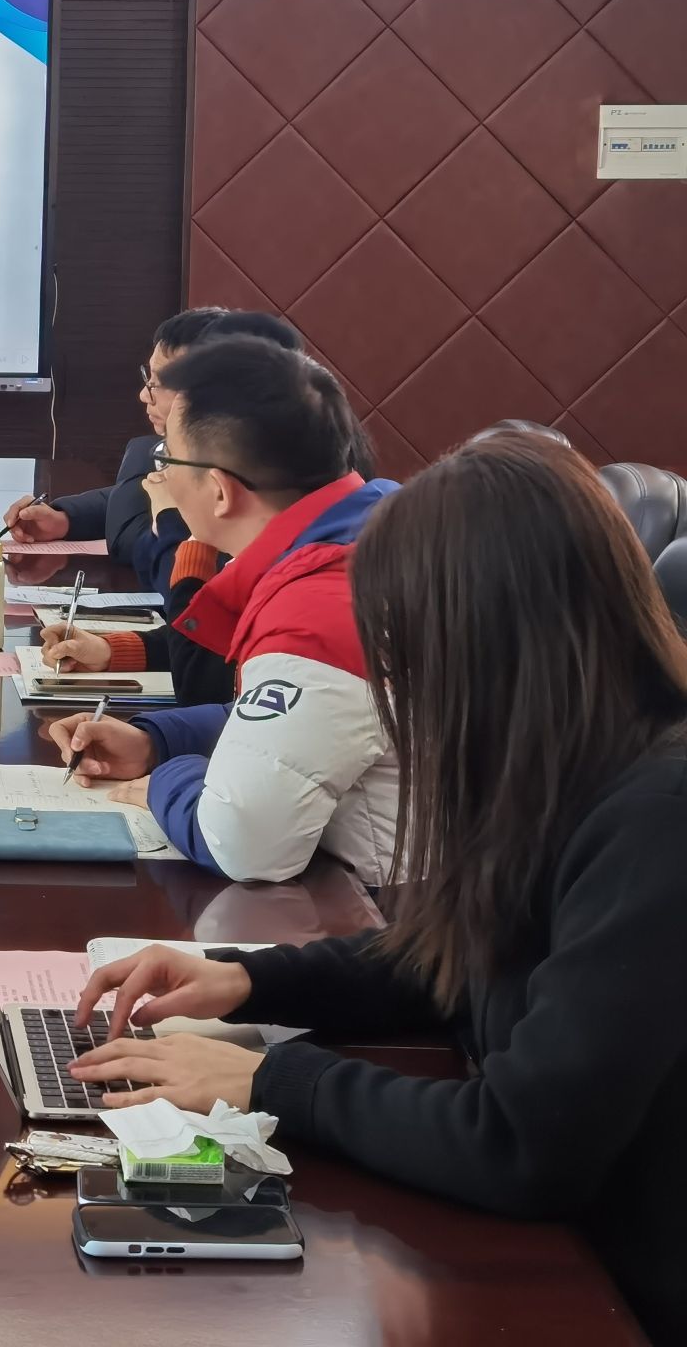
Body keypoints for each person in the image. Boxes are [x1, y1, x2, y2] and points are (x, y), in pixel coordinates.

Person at [65, 434, 687, 1344]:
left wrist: (269, 1078)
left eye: (402, 647)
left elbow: (520, 1145)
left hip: (619, 1291)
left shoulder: (659, 816)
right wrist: (248, 979)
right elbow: (464, 954)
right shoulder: (572, 761)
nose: (395, 681)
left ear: (488, 640)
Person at [46, 337, 399, 884]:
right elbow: (299, 725)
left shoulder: (319, 614)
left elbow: (242, 842)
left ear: (218, 491)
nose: (160, 476)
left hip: (393, 914)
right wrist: (158, 740)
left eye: (166, 458)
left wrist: (173, 776)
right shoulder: (371, 532)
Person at [3, 307, 302, 569]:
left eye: (158, 383)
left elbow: (134, 542)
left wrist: (146, 452)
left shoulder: (247, 474)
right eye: (149, 378)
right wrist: (65, 519)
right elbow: (142, 496)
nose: (144, 395)